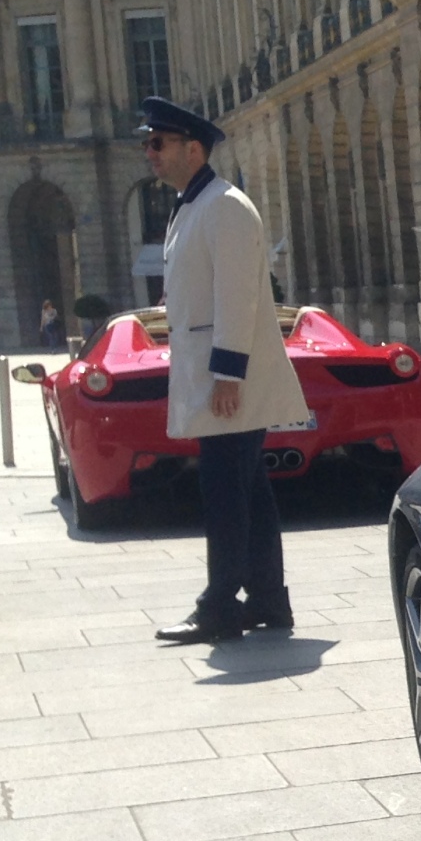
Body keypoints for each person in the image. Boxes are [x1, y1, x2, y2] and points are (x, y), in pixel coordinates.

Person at [137, 96, 312, 643]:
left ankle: (219, 606)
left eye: (157, 143)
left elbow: (238, 299)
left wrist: (228, 376)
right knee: (250, 492)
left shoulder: (225, 206)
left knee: (225, 495)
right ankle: (267, 600)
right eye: (148, 143)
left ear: (193, 148)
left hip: (230, 382)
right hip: (217, 378)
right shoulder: (196, 204)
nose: (150, 153)